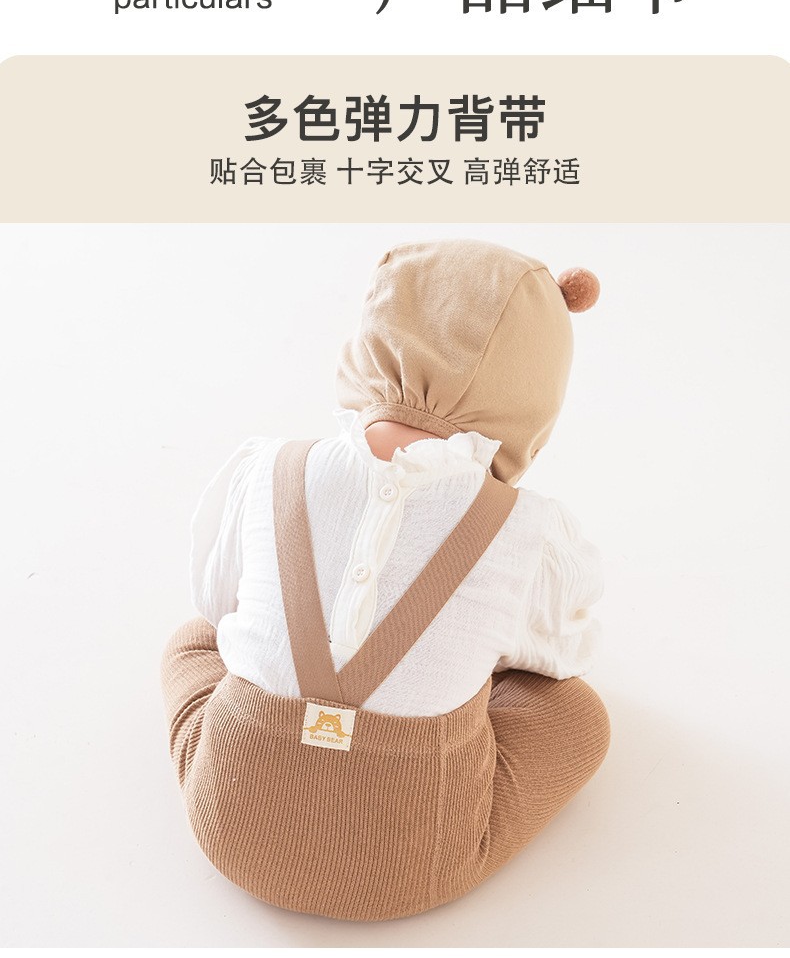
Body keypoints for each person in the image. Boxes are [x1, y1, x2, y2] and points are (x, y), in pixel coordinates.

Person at [161, 238, 610, 921]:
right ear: (535, 398)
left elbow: (216, 600)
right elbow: (566, 651)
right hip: (415, 864)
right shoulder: (528, 528)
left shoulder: (268, 466)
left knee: (193, 639)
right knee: (575, 712)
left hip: (228, 825)